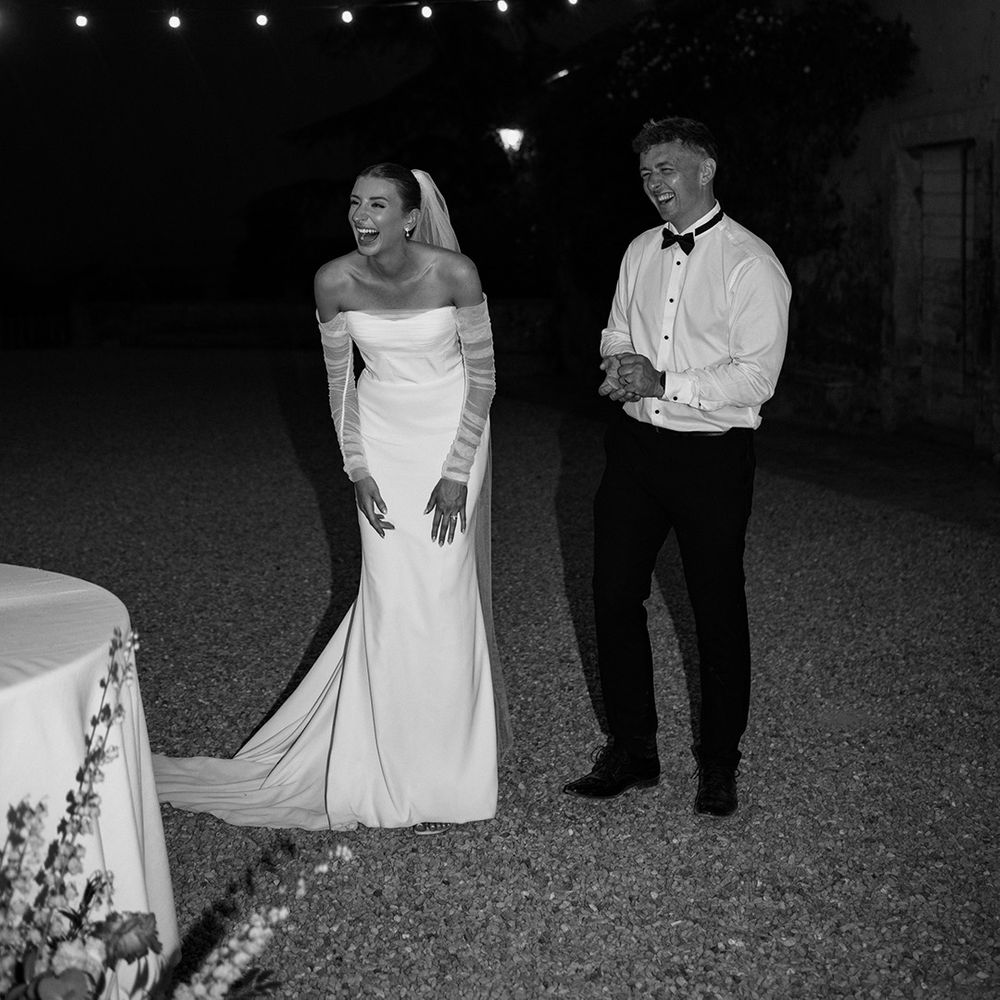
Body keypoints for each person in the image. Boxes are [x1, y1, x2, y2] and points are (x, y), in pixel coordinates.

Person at [153, 163, 510, 835]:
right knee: (389, 589)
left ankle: (448, 774)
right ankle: (381, 763)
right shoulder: (333, 280)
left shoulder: (455, 272)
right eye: (354, 203)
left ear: (410, 216)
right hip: (380, 435)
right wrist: (358, 470)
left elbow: (485, 379)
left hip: (450, 429)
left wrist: (458, 469)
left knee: (441, 587)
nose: (361, 215)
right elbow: (340, 384)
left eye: (378, 204)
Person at [563, 117, 790, 817]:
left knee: (716, 607)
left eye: (666, 168)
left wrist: (665, 382)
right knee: (610, 596)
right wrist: (619, 366)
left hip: (710, 457)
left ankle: (719, 761)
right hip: (635, 451)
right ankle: (634, 750)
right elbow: (616, 328)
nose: (654, 183)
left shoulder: (751, 263)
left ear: (706, 168)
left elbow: (756, 379)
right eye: (646, 173)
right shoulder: (639, 251)